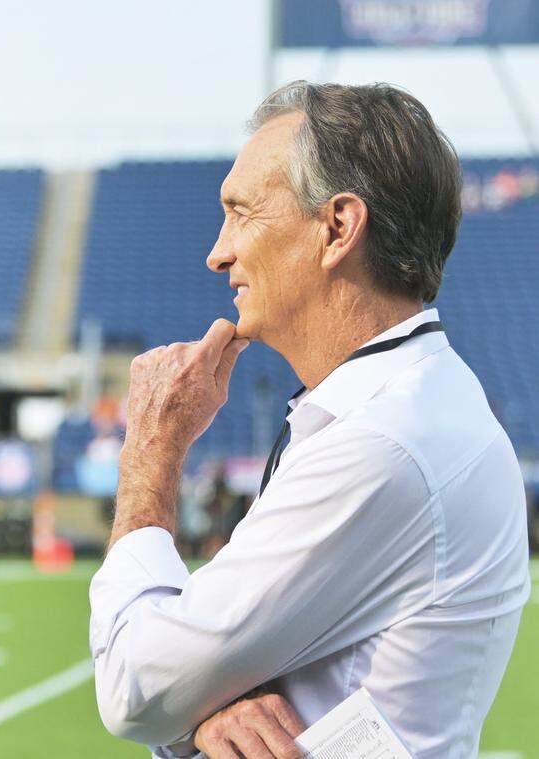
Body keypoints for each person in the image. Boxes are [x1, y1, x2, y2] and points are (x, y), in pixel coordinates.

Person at [89, 81, 531, 758]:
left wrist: (152, 449)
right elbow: (203, 675)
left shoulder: (383, 443)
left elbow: (136, 681)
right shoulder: (408, 405)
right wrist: (204, 710)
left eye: (242, 214)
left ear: (337, 228)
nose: (218, 252)